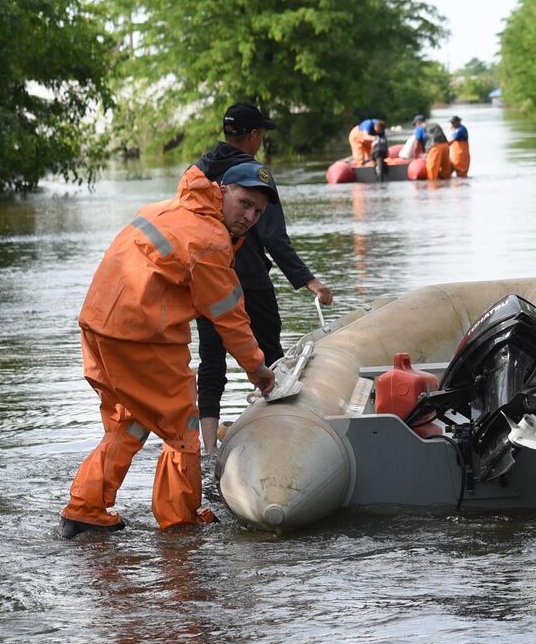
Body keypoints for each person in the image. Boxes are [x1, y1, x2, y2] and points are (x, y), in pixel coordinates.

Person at [58, 161, 281, 537]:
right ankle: (180, 524)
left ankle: (85, 508)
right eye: (244, 203)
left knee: (130, 419)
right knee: (183, 429)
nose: (249, 216)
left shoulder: (169, 208)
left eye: (258, 211)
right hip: (140, 337)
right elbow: (229, 316)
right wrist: (257, 369)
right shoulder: (209, 239)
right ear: (223, 191)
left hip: (97, 326)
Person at [192, 102, 334, 454]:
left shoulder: (198, 172)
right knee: (271, 358)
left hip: (206, 281)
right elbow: (273, 237)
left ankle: (208, 449)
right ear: (254, 135)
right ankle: (280, 438)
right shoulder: (257, 177)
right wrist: (309, 281)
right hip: (249, 281)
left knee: (211, 364)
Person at [423, 118, 451, 182]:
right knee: (446, 168)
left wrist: (426, 151)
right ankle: (448, 185)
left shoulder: (423, 129)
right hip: (445, 145)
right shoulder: (436, 126)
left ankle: (432, 184)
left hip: (436, 147)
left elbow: (425, 140)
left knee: (432, 168)